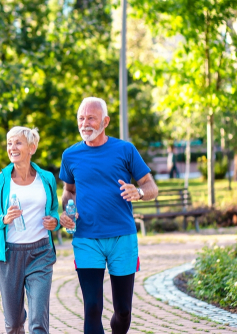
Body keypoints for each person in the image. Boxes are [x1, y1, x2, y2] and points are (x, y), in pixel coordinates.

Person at [59, 97, 158, 334]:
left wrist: (140, 192)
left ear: (105, 121)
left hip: (122, 238)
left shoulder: (125, 150)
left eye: (91, 118)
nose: (85, 124)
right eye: (81, 119)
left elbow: (151, 186)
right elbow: (69, 191)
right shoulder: (70, 155)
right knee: (92, 307)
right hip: (85, 239)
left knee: (123, 311)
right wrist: (69, 211)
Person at [0, 126, 61, 334]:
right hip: (9, 256)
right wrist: (3, 219)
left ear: (32, 148)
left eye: (18, 143)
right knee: (14, 324)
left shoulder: (47, 179)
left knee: (38, 323)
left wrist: (55, 222)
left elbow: (54, 212)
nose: (12, 147)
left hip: (41, 252)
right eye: (9, 143)